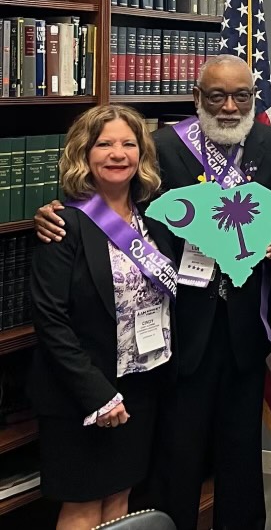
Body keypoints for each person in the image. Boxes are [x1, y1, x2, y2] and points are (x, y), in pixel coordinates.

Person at [34, 54, 271, 529]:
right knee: (174, 460)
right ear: (197, 98)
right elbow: (110, 206)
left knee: (240, 460)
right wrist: (50, 209)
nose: (229, 106)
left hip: (244, 328)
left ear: (254, 99)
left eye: (241, 96)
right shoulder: (159, 147)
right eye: (216, 95)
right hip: (177, 331)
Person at [29, 105, 178, 530]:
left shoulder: (155, 220)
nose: (118, 154)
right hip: (82, 393)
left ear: (142, 154)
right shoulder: (62, 223)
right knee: (82, 506)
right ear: (84, 153)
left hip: (141, 383)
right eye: (105, 144)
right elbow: (50, 320)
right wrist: (97, 395)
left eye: (128, 144)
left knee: (120, 497)